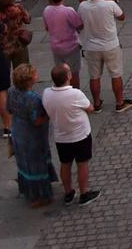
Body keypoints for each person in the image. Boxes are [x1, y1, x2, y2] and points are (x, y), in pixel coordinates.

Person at [42, 61, 99, 206]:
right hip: (80, 135)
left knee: (65, 164)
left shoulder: (47, 93)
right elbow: (90, 108)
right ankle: (84, 193)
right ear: (68, 76)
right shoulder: (75, 94)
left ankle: (68, 193)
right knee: (82, 164)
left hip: (61, 137)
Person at [6, 62, 54, 206]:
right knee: (36, 165)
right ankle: (40, 196)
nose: (36, 74)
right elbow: (37, 121)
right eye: (34, 73)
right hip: (32, 137)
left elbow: (8, 109)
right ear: (29, 80)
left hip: (18, 131)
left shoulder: (11, 91)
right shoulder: (33, 98)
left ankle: (28, 190)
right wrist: (49, 115)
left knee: (24, 163)